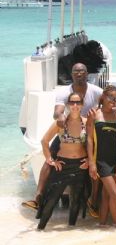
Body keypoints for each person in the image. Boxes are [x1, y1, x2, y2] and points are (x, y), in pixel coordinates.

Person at [22, 63, 102, 214]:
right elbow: (57, 111)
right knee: (49, 160)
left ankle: (93, 200)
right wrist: (60, 118)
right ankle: (38, 198)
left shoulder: (96, 90)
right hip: (68, 130)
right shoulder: (64, 92)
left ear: (87, 74)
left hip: (87, 132)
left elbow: (108, 100)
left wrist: (99, 111)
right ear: (71, 74)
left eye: (82, 71)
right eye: (76, 71)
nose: (79, 74)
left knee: (94, 162)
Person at [36, 92, 90, 230]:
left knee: (76, 200)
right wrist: (50, 160)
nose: (75, 105)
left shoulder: (87, 122)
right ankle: (40, 230)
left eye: (78, 103)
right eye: (72, 102)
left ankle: (70, 230)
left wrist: (90, 160)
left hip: (80, 166)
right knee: (51, 200)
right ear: (68, 105)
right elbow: (44, 141)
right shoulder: (60, 123)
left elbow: (93, 144)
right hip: (62, 166)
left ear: (82, 104)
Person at [87, 85, 116, 227]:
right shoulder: (94, 114)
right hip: (101, 160)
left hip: (114, 159)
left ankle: (102, 224)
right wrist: (91, 163)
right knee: (115, 194)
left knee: (106, 194)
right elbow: (90, 140)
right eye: (110, 97)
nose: (113, 101)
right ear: (103, 96)